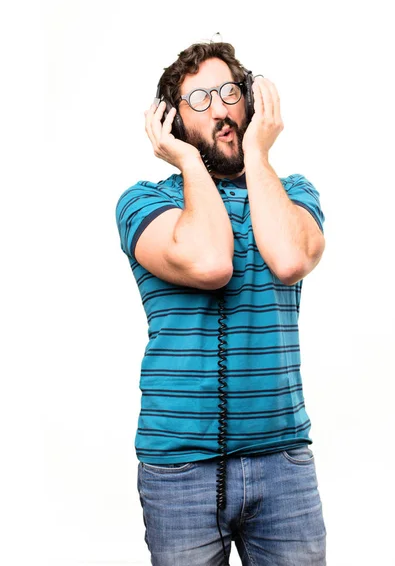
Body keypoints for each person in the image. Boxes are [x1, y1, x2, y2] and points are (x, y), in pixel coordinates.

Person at [115, 40, 327, 565]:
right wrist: (188, 158)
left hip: (283, 461)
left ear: (250, 101)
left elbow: (289, 259)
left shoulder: (294, 192)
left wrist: (258, 154)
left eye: (229, 92)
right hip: (180, 469)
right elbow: (210, 262)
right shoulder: (146, 201)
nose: (221, 111)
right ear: (173, 121)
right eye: (200, 101)